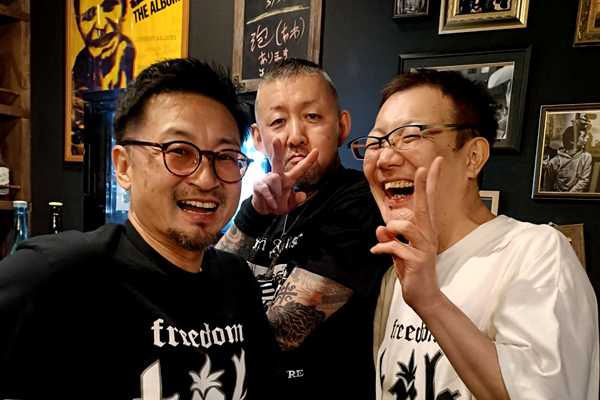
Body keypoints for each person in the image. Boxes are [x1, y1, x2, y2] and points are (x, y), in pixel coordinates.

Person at [0, 58, 278, 399]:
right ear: (123, 167)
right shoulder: (59, 274)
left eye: (225, 156)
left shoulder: (237, 280)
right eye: (179, 150)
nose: (206, 179)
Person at [347, 69, 599, 399]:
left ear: (473, 157)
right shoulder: (396, 275)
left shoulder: (534, 253)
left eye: (409, 137)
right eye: (376, 142)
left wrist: (430, 302)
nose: (384, 158)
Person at [216, 59, 389, 399]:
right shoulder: (260, 207)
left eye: (312, 116)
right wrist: (253, 214)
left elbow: (283, 332)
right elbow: (204, 283)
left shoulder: (362, 200)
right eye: (278, 121)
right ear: (258, 138)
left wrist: (199, 330)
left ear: (341, 127)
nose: (295, 136)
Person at [71, 0, 136, 156]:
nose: (100, 26)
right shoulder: (80, 67)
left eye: (109, 8)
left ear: (125, 10)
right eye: (88, 16)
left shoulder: (129, 55)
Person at [543, 113, 594, 193]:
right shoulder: (555, 161)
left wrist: (569, 196)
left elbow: (583, 181)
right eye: (583, 137)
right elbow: (547, 186)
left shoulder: (586, 157)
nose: (586, 139)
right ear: (572, 141)